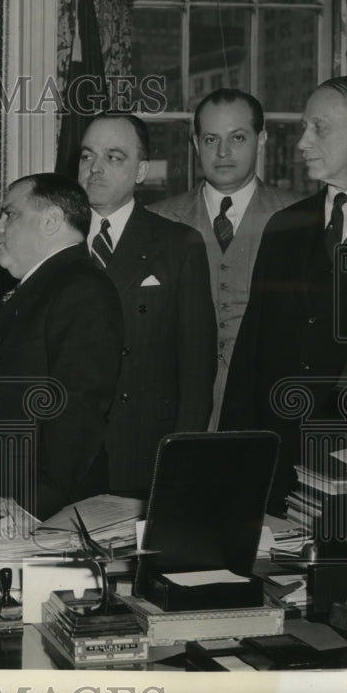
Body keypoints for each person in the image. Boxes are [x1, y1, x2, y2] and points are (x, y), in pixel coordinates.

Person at [221, 76, 347, 510]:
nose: (301, 142)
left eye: (319, 128)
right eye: (303, 127)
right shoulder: (285, 225)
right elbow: (250, 352)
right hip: (281, 466)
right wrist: (234, 457)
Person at [0, 174, 123, 520]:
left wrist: (31, 506)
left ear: (52, 220)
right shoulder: (47, 285)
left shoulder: (82, 290)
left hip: (26, 513)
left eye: (10, 214)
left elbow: (78, 413)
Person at [78, 112, 217, 493]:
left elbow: (195, 370)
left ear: (141, 171)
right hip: (66, 454)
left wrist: (180, 462)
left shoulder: (178, 245)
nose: (95, 169)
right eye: (87, 156)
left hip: (141, 450)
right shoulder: (55, 238)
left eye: (114, 157)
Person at [148, 89, 303, 429]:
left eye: (237, 137)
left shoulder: (300, 217)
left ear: (260, 140)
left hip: (267, 408)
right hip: (176, 410)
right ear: (194, 143)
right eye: (210, 139)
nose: (223, 152)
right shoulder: (157, 220)